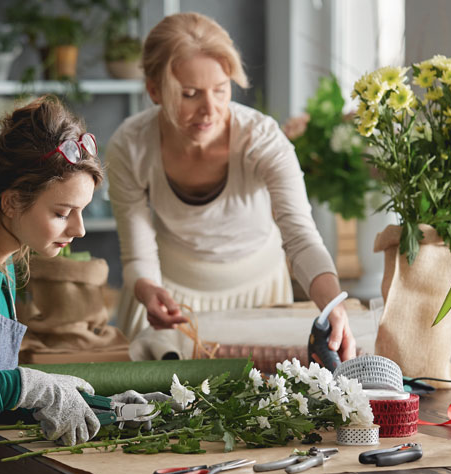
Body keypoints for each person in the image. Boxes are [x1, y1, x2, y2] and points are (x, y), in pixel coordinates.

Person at [106, 12, 357, 362]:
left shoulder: (262, 139)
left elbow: (300, 236)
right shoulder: (130, 147)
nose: (210, 110)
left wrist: (333, 306)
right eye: (190, 94)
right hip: (169, 299)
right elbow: (137, 256)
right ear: (154, 90)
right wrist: (148, 290)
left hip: (260, 296)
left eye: (221, 90)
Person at [0, 96, 106, 474]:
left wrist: (100, 406)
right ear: (11, 201)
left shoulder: (1, 268)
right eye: (62, 212)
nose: (80, 229)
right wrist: (28, 385)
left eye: (82, 211)